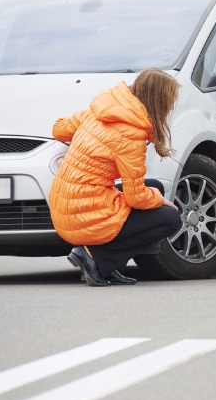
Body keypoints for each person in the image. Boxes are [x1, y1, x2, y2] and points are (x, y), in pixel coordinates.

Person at [49, 68, 183, 287]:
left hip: (65, 204)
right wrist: (160, 199)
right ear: (158, 101)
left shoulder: (101, 110)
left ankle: (108, 265)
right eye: (170, 102)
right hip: (84, 214)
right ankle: (97, 258)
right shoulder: (131, 133)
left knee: (155, 185)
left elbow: (58, 129)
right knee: (171, 219)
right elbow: (136, 197)